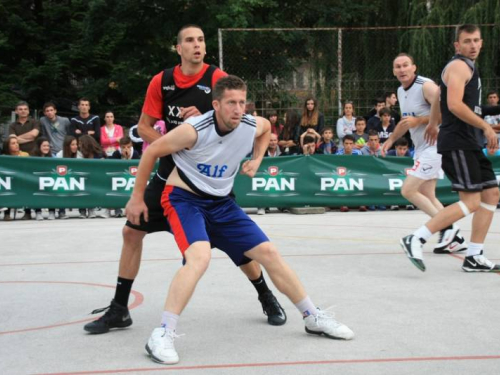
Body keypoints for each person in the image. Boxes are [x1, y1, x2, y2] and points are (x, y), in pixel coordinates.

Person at [126, 75, 354, 365]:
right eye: (231, 103)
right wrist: (137, 197)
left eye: (242, 102)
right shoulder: (194, 130)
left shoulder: (248, 123)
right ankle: (162, 333)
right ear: (216, 105)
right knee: (199, 257)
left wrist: (258, 159)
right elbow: (154, 152)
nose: (237, 109)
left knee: (269, 252)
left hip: (221, 202)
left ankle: (312, 316)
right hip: (184, 199)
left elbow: (267, 128)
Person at [83, 25, 286, 335]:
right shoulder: (161, 82)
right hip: (170, 173)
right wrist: (177, 139)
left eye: (201, 40)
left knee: (239, 246)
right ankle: (120, 309)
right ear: (178, 48)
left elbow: (237, 120)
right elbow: (144, 127)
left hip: (205, 179)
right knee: (131, 232)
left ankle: (266, 295)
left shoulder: (217, 79)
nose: (197, 45)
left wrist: (207, 123)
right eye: (190, 40)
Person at [402, 24, 500, 272]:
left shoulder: (468, 67)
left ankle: (474, 256)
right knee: (471, 201)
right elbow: (454, 105)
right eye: (467, 41)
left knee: (491, 195)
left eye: (477, 40)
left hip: (467, 140)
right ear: (458, 45)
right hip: (458, 141)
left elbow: (439, 98)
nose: (473, 45)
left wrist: (433, 123)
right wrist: (487, 128)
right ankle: (417, 238)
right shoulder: (458, 66)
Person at [383, 53, 466, 251]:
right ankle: (453, 234)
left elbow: (449, 110)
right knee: (426, 192)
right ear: (394, 71)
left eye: (405, 65)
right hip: (422, 147)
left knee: (408, 190)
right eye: (398, 67)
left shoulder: (426, 86)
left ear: (414, 67)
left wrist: (420, 121)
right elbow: (406, 121)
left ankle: (446, 229)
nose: (402, 69)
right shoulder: (401, 91)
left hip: (436, 145)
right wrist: (391, 139)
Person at [1, 135, 29, 221]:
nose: (16, 145)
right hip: (10, 181)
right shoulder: (4, 157)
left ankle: (28, 213)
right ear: (7, 146)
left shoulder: (25, 155)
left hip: (23, 180)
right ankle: (7, 213)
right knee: (7, 186)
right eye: (13, 143)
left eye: (17, 143)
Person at [32, 137, 56, 221]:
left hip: (49, 180)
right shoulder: (33, 157)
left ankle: (52, 212)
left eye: (48, 146)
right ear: (39, 147)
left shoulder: (52, 156)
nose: (46, 147)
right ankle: (38, 212)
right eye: (44, 146)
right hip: (36, 180)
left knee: (52, 190)